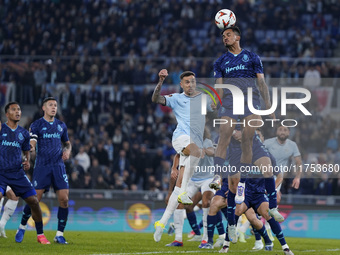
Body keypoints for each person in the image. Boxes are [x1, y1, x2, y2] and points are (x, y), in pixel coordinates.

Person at [210, 26, 280, 241]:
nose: (225, 37)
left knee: (249, 139)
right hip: (231, 104)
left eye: (228, 35)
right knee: (224, 134)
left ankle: (242, 185)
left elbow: (261, 82)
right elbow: (219, 87)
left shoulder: (251, 57)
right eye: (223, 36)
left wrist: (268, 107)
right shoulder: (220, 62)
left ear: (237, 37)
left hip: (251, 103)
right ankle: (216, 175)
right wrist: (216, 101)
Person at [152, 69, 210, 242]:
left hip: (195, 147)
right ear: (181, 84)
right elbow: (156, 99)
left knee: (179, 188)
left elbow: (218, 107)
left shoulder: (203, 98)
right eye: (187, 82)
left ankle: (161, 224)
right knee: (196, 151)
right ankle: (184, 194)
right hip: (181, 139)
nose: (190, 84)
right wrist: (161, 82)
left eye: (192, 81)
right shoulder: (176, 98)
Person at [15, 97, 72, 244]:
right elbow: (32, 140)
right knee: (35, 200)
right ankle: (22, 226)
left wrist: (68, 151)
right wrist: (31, 147)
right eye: (50, 105)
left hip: (58, 166)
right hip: (42, 167)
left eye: (55, 105)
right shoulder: (37, 125)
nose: (54, 108)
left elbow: (67, 143)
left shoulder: (61, 125)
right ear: (44, 108)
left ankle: (59, 234)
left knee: (64, 200)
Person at [0, 102, 50, 244]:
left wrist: (27, 161)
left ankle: (40, 235)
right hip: (1, 173)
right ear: (7, 114)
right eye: (14, 109)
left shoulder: (23, 133)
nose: (18, 112)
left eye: (19, 109)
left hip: (17, 174)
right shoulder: (1, 128)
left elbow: (26, 151)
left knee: (34, 202)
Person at [165, 128, 216, 248]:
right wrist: (174, 167)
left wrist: (202, 151)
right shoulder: (188, 143)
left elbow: (212, 151)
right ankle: (178, 239)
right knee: (180, 203)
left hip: (208, 178)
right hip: (193, 180)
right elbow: (178, 154)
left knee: (206, 202)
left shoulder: (207, 141)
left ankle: (206, 239)